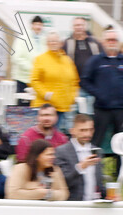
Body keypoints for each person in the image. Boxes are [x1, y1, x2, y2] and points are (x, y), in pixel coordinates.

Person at [82, 28, 123, 178]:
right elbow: (84, 81)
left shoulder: (121, 60)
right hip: (102, 109)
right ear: (104, 42)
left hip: (120, 110)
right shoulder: (96, 61)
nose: (112, 43)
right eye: (109, 40)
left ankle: (118, 175)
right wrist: (99, 94)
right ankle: (93, 173)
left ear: (117, 42)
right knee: (96, 142)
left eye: (114, 40)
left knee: (121, 143)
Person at [30, 32, 79, 132]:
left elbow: (75, 81)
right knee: (43, 136)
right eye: (50, 41)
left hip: (63, 106)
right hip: (46, 107)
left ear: (60, 43)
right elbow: (34, 80)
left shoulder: (67, 60)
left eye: (55, 41)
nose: (53, 43)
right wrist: (46, 94)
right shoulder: (40, 59)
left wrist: (72, 97)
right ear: (47, 43)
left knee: (56, 137)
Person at [63, 17, 101, 115]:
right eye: (76, 25)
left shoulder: (95, 43)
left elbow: (101, 60)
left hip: (91, 85)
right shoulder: (67, 43)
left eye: (81, 25)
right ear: (72, 27)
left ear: (85, 26)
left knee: (90, 115)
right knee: (72, 115)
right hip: (74, 86)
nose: (79, 27)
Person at [11, 15, 46, 96]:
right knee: (22, 107)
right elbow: (16, 58)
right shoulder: (22, 38)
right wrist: (33, 69)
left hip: (38, 81)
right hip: (23, 80)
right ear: (32, 25)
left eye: (40, 25)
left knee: (35, 106)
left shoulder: (44, 40)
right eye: (36, 24)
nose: (38, 27)